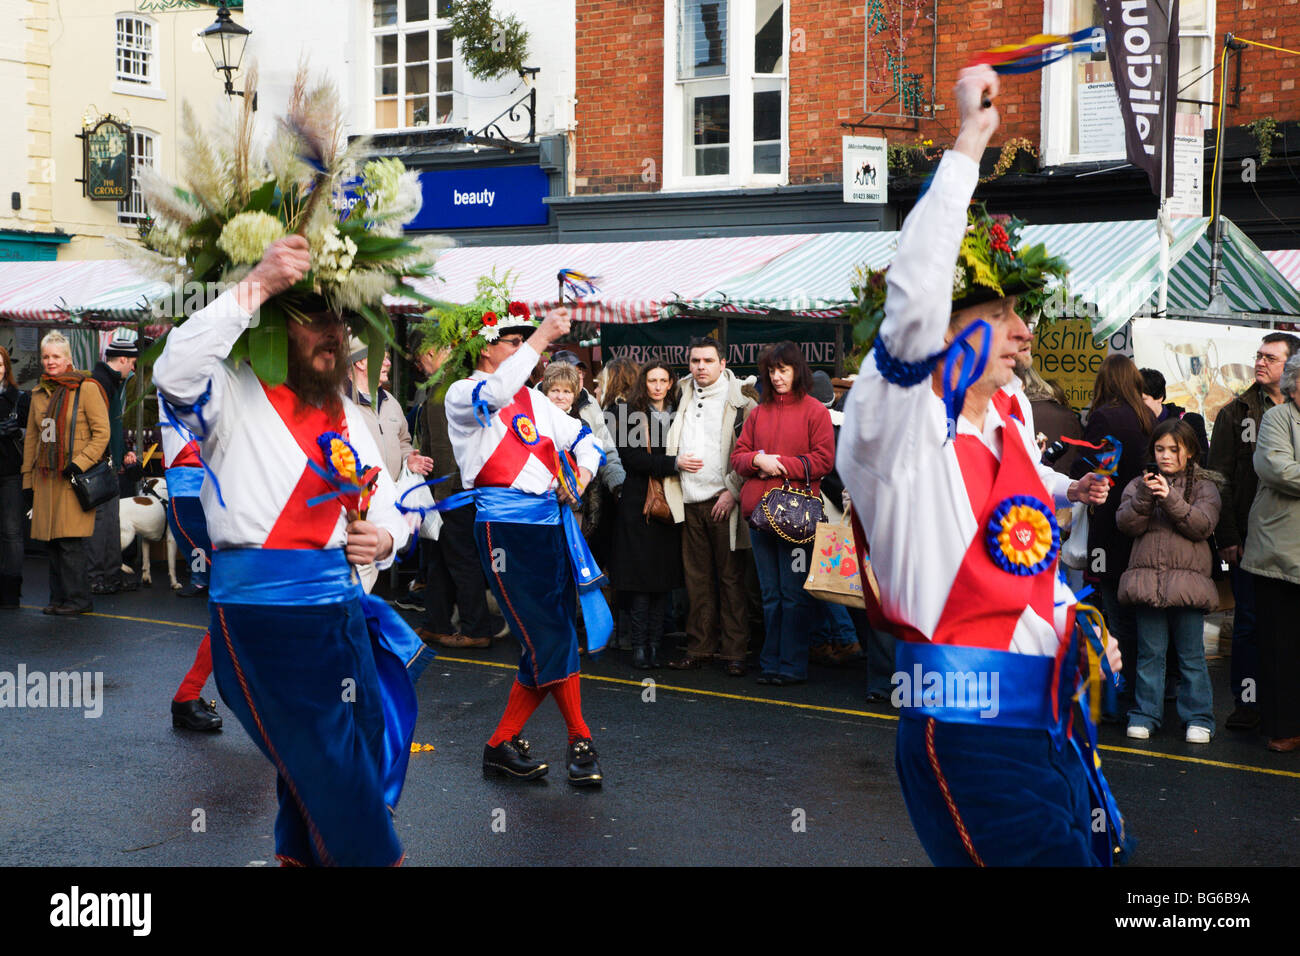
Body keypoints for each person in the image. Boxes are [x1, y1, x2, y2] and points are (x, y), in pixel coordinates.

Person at [838, 65, 1127, 866]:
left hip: (1048, 722)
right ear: (945, 332)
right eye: (999, 315)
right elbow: (915, 300)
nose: (1025, 333)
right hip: (964, 726)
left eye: (1020, 315)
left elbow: (1019, 543)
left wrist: (1068, 617)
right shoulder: (891, 425)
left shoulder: (1008, 416)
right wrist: (970, 140)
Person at [153, 236, 430, 866]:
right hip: (264, 617)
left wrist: (385, 537)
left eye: (341, 320)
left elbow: (388, 502)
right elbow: (173, 370)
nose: (335, 334)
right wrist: (256, 282)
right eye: (316, 319)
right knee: (336, 776)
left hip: (342, 614)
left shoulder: (346, 416)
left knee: (333, 761)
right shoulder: (231, 390)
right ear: (275, 323)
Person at [440, 304, 608, 786]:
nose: (522, 348)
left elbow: (588, 440)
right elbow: (494, 392)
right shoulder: (463, 393)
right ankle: (581, 740)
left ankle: (500, 745)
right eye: (512, 342)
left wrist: (578, 472)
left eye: (523, 341)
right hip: (505, 533)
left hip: (550, 528)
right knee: (551, 636)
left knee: (548, 638)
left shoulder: (535, 402)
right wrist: (540, 337)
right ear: (485, 348)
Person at [1208, 331, 1300, 732]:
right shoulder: (1237, 412)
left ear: (1290, 366)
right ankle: (1248, 703)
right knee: (1248, 625)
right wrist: (1227, 536)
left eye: (1270, 358)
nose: (1260, 363)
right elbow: (1219, 479)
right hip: (1250, 537)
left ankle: (1283, 708)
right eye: (1258, 356)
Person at [731, 342, 835, 685]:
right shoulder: (757, 412)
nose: (777, 377)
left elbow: (823, 461)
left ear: (797, 371)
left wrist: (775, 464)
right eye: (773, 371)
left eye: (784, 370)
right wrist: (756, 460)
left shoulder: (815, 411)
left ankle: (791, 665)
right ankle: (770, 662)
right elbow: (738, 457)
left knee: (792, 594)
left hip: (797, 521)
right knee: (770, 594)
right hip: (760, 517)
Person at [1115, 419, 1221, 743]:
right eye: (1160, 449)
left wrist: (1170, 498)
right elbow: (1125, 524)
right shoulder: (1138, 485)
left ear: (1188, 452)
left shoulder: (1205, 486)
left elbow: (1202, 525)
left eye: (1173, 449)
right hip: (1147, 583)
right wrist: (1147, 496)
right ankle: (1145, 715)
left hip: (1188, 586)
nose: (1165, 455)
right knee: (1150, 654)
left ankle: (1199, 718)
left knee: (1191, 656)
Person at [663, 337, 757, 676]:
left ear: (723, 363)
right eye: (694, 360)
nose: (700, 366)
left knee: (732, 578)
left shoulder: (742, 398)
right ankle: (700, 647)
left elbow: (751, 450)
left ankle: (734, 651)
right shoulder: (682, 391)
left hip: (724, 498)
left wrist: (732, 491)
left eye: (707, 360)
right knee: (696, 579)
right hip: (687, 498)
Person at [1070, 354, 1155, 716]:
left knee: (1111, 611)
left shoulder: (1104, 416)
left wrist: (1075, 468)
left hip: (1107, 519)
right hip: (1140, 516)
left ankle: (1117, 696)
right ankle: (1143, 692)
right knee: (1135, 611)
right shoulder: (1147, 417)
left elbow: (1096, 466)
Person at [412, 344, 502, 650]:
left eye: (421, 356)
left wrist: (442, 490)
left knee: (461, 562)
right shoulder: (453, 386)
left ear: (430, 353)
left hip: (452, 491)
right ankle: (436, 622)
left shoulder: (446, 390)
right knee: (440, 560)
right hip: (452, 489)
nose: (420, 364)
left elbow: (442, 447)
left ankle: (477, 628)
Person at [22, 331, 111, 616]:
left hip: (73, 478)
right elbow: (33, 440)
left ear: (68, 359)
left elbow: (102, 434)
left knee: (70, 540)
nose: (50, 362)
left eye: (56, 356)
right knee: (52, 540)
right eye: (46, 356)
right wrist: (27, 480)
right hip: (46, 478)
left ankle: (78, 600)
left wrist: (80, 463)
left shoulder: (87, 388)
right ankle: (58, 598)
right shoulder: (38, 393)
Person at [1240, 353, 1300, 752]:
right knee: (1281, 646)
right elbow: (1277, 469)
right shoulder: (1279, 418)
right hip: (1281, 555)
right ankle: (1284, 727)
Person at [344, 336, 432, 592]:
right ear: (361, 363)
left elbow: (403, 441)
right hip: (358, 506)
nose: (388, 363)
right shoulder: (341, 401)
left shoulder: (391, 402)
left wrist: (409, 458)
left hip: (390, 503)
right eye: (381, 357)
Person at [610, 361, 683, 669]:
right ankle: (640, 646)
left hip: (672, 504)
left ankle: (655, 643)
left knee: (662, 580)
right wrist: (674, 463)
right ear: (644, 382)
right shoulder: (627, 413)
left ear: (670, 384)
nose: (656, 386)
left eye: (662, 380)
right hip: (639, 505)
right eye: (651, 380)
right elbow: (632, 458)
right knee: (640, 581)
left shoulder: (681, 413)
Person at [158, 400, 222, 732]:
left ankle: (187, 696)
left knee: (236, 611)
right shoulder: (191, 372)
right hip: (195, 499)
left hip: (226, 503)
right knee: (240, 607)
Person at [541, 361, 624, 541]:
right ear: (546, 392)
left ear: (574, 395)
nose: (560, 397)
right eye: (555, 390)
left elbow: (602, 455)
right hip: (540, 502)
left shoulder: (582, 424)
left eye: (566, 391)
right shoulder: (534, 420)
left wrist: (616, 486)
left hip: (575, 504)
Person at [87, 328, 140, 595]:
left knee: (110, 521)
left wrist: (121, 454)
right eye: (131, 363)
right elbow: (100, 428)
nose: (133, 368)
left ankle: (109, 573)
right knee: (102, 523)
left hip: (109, 462)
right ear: (121, 360)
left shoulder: (111, 383)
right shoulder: (100, 384)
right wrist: (109, 457)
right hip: (100, 464)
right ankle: (98, 576)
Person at [0, 346, 31, 609]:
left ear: (6, 368)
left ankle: (11, 591)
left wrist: (17, 432)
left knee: (11, 533)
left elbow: (32, 435)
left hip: (10, 473)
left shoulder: (19, 398)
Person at [1139, 367, 1208, 461]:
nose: (1137, 404)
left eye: (1143, 399)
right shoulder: (1131, 426)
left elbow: (1203, 462)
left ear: (1159, 397)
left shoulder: (1189, 421)